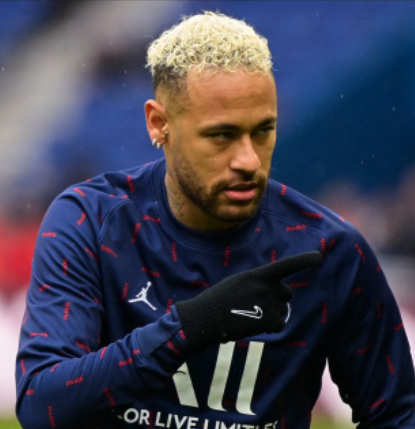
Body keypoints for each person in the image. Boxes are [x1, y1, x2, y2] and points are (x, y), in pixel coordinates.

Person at [16, 11, 415, 429]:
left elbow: (396, 416)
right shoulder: (90, 222)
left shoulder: (329, 251)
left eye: (263, 131)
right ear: (159, 124)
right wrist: (192, 326)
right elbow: (43, 407)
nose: (248, 160)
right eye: (222, 135)